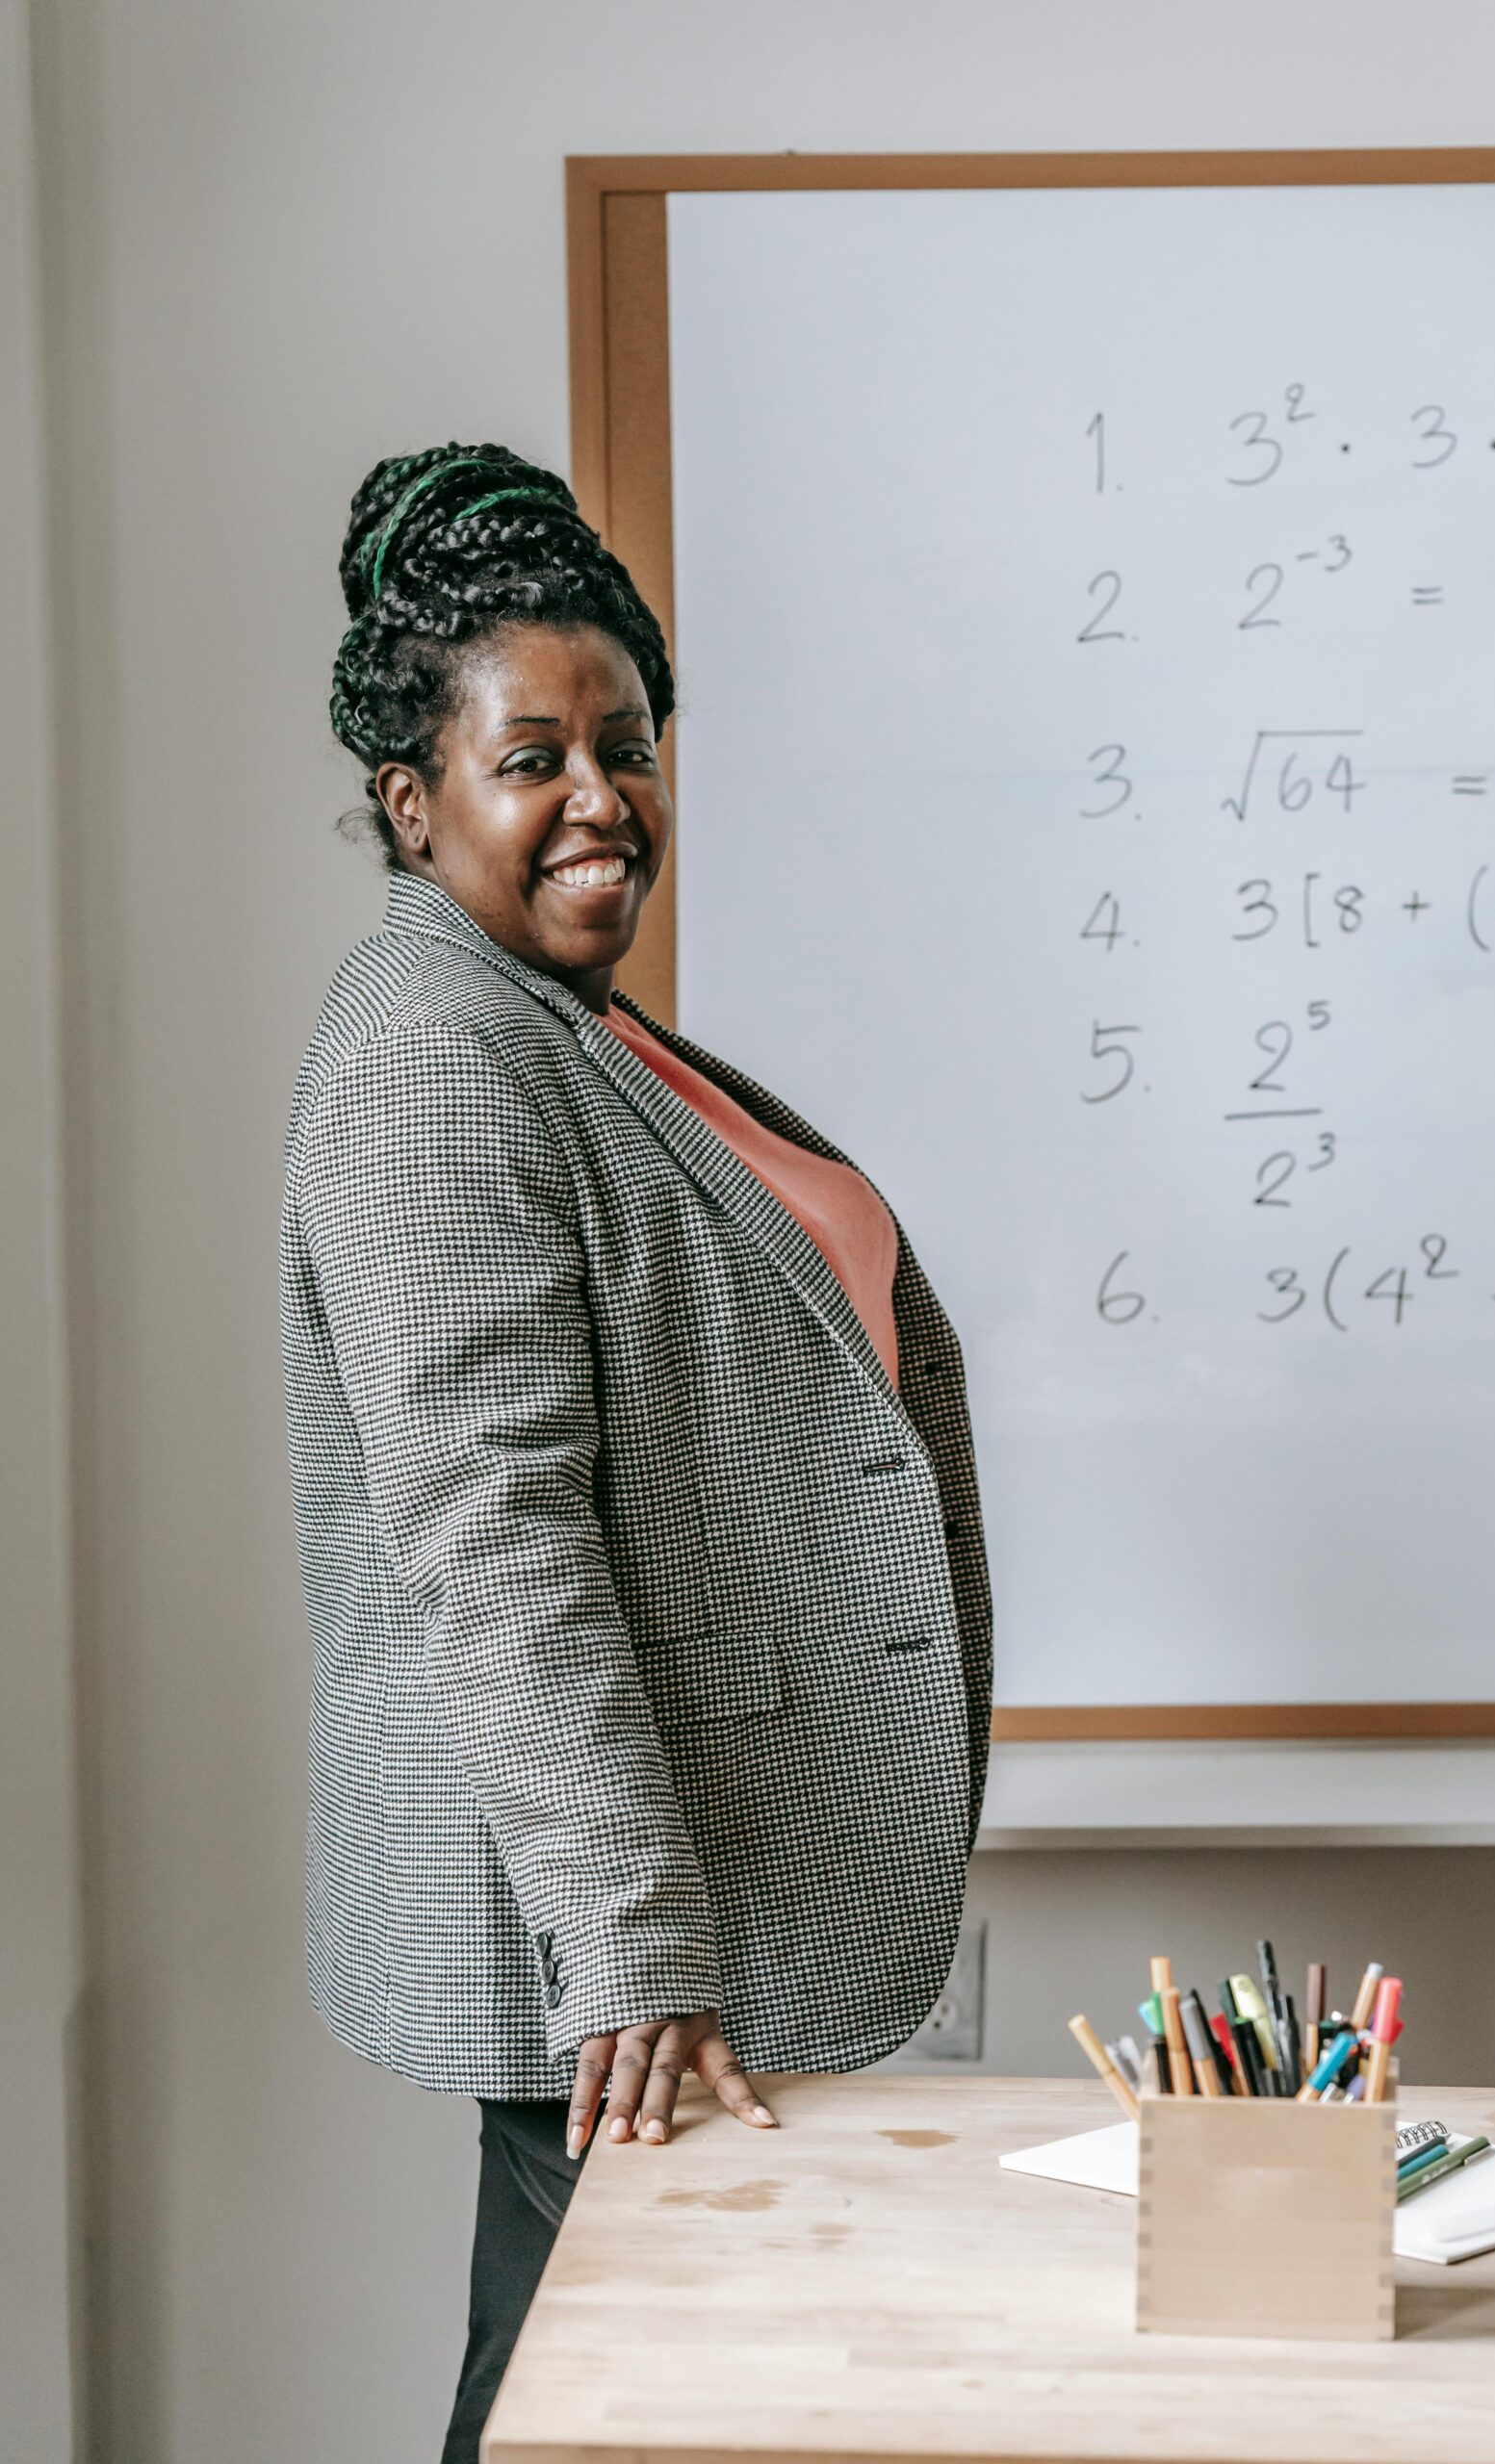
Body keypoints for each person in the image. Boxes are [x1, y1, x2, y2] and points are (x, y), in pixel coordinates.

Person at [281, 442, 992, 2460]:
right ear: (413, 803)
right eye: (533, 755)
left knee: (629, 2403)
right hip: (624, 1938)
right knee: (596, 2410)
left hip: (707, 1902)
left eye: (631, 740)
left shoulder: (568, 1026)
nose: (601, 794)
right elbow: (487, 1534)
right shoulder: (435, 1043)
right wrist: (635, 1952)